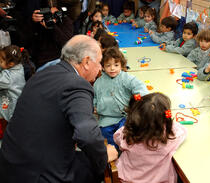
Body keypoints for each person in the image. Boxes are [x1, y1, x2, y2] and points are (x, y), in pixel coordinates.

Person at [0, 35, 118, 183]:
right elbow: (87, 135)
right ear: (87, 62)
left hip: (10, 163)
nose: (100, 67)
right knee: (95, 165)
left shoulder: (43, 73)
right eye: (99, 62)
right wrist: (104, 156)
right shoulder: (78, 85)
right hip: (39, 175)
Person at [114, 92, 187, 183]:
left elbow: (116, 137)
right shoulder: (169, 139)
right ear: (165, 119)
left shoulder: (128, 134)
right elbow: (183, 131)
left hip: (127, 179)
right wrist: (169, 125)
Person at [94, 47, 148, 148]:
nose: (112, 68)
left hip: (124, 116)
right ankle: (114, 149)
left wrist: (141, 98)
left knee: (125, 132)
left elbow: (139, 87)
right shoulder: (98, 83)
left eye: (116, 65)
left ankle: (126, 149)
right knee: (105, 132)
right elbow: (95, 96)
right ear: (103, 67)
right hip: (107, 117)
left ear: (122, 65)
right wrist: (95, 105)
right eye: (108, 65)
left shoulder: (126, 78)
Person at [31, 6, 73, 71]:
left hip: (58, 60)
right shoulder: (41, 21)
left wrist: (53, 27)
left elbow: (66, 43)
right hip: (41, 62)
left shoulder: (66, 21)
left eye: (56, 14)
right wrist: (32, 21)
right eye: (50, 14)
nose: (53, 17)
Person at [0, 45, 26, 122]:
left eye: (1, 61)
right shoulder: (18, 67)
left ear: (11, 64)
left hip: (8, 111)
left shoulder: (8, 78)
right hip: (18, 107)